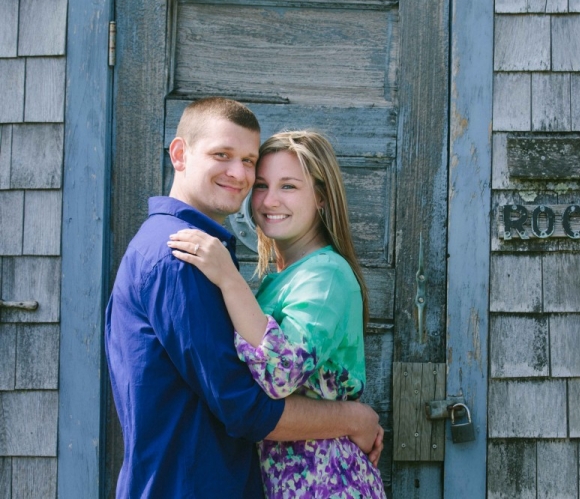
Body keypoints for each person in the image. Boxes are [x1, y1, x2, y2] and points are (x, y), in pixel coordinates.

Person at [105, 98, 383, 499]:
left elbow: (261, 384)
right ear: (180, 154)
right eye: (222, 155)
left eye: (248, 160)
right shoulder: (180, 256)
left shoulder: (210, 257)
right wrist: (354, 417)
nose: (240, 175)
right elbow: (246, 407)